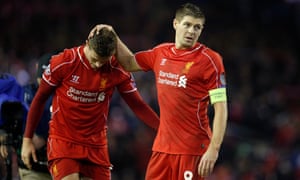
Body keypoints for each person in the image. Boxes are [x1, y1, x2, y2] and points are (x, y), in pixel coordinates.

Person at [89, 2, 228, 180]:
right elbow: (130, 62)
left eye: (197, 27)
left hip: (191, 150)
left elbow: (221, 107)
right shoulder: (160, 53)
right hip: (162, 148)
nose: (192, 31)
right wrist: (112, 35)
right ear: (175, 24)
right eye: (187, 24)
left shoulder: (210, 60)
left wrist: (214, 149)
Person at [21, 27, 159, 180]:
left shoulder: (116, 69)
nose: (98, 65)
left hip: (96, 147)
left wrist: (162, 128)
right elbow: (39, 99)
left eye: (103, 61)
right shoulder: (64, 62)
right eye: (94, 59)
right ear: (87, 44)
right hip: (64, 142)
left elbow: (137, 104)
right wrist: (27, 140)